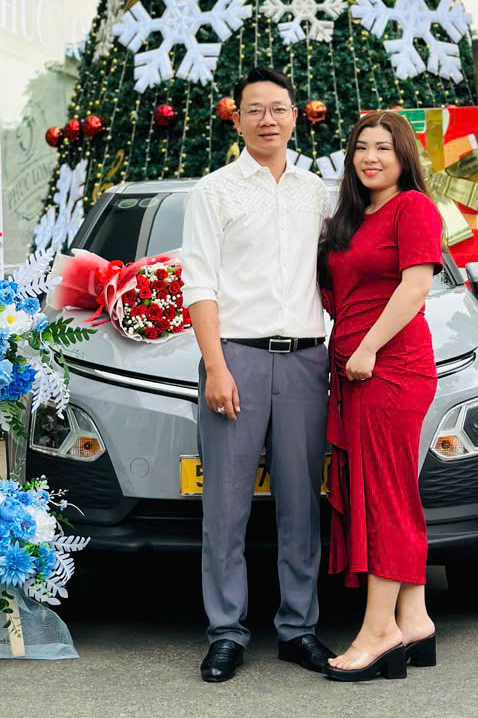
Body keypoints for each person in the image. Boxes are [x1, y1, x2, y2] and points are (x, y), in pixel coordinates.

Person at [181, 67, 333, 684]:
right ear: (237, 119)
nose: (267, 119)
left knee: (302, 504)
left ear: (295, 116)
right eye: (255, 109)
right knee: (225, 508)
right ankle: (226, 632)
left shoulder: (317, 192)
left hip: (306, 361)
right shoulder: (213, 191)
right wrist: (216, 367)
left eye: (278, 108)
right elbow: (199, 283)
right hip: (236, 358)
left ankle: (298, 628)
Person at [318, 110, 442, 683]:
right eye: (362, 147)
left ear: (403, 156)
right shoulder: (350, 219)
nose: (370, 157)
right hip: (353, 373)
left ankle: (377, 631)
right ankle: (414, 620)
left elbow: (415, 287)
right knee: (387, 493)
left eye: (383, 148)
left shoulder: (412, 208)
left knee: (385, 498)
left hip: (390, 367)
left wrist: (366, 347)